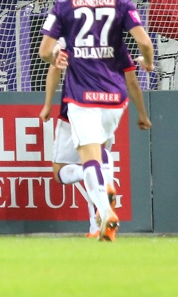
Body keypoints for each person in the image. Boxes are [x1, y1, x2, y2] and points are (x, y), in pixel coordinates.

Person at [39, 0, 154, 241]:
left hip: (81, 96)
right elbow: (144, 44)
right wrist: (149, 63)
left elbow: (45, 52)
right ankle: (102, 208)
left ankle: (104, 213)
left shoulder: (64, 5)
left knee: (88, 158)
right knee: (100, 152)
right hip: (115, 99)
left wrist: (56, 58)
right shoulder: (123, 4)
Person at [39, 39, 151, 237]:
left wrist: (47, 104)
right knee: (99, 155)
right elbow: (132, 81)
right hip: (109, 107)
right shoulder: (116, 43)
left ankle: (89, 173)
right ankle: (96, 227)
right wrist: (142, 113)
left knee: (61, 172)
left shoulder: (71, 37)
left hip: (76, 107)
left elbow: (55, 67)